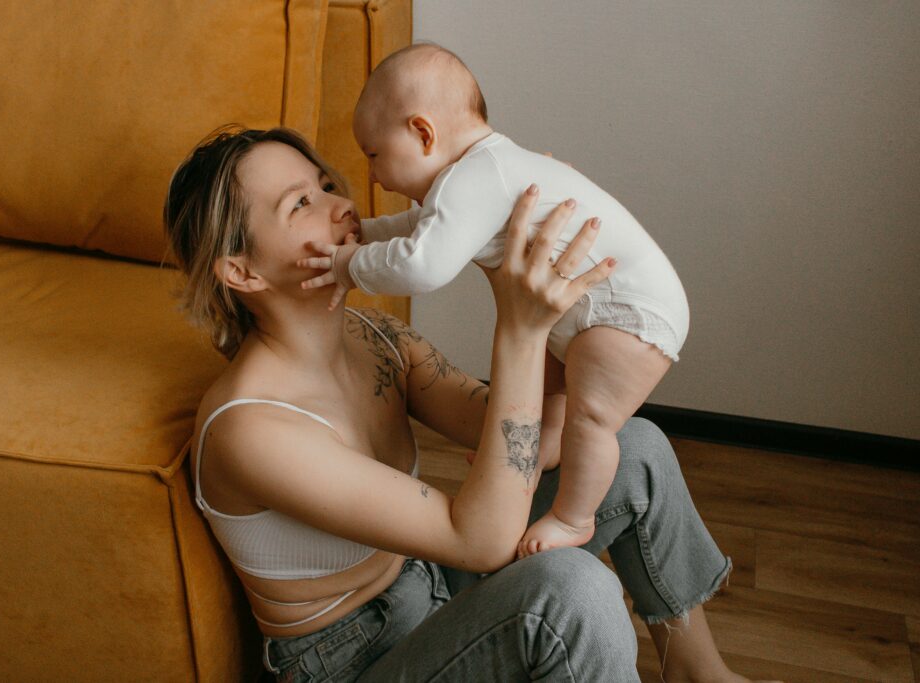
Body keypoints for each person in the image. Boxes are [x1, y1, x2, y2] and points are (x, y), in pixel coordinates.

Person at [163, 125, 772, 682]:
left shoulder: (379, 340)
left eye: (325, 184)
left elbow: (533, 439)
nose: (340, 205)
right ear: (240, 272)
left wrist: (533, 283)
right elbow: (481, 538)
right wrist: (520, 331)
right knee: (572, 591)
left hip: (429, 591)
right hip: (352, 665)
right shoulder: (253, 428)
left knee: (634, 446)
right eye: (300, 204)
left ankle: (701, 673)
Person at [300, 43, 688, 557]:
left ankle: (574, 518)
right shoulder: (479, 172)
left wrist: (349, 266)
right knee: (554, 382)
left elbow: (425, 264)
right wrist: (366, 235)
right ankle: (545, 447)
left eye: (373, 154)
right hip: (609, 307)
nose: (371, 175)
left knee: (591, 417)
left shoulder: (476, 177)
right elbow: (420, 228)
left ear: (422, 133)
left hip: (631, 314)